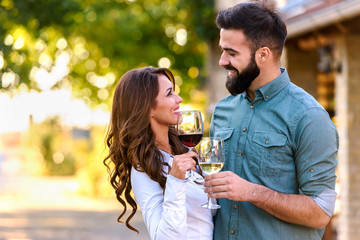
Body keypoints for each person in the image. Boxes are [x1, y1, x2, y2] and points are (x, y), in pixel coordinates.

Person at [204, 1, 339, 239]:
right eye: (222, 50)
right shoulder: (223, 110)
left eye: (231, 53)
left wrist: (252, 192)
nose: (222, 61)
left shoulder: (309, 116)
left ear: (263, 54)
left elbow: (320, 212)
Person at [103, 66, 214, 240]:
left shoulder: (182, 149)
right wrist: (176, 181)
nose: (179, 99)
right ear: (146, 107)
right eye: (169, 93)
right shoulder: (142, 170)